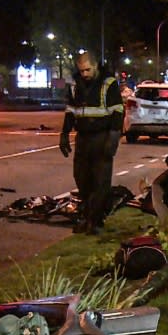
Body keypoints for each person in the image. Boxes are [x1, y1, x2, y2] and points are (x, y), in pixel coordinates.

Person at [59, 51, 124, 234]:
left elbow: (118, 111)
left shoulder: (108, 83)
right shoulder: (75, 85)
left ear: (95, 66)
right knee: (82, 179)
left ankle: (95, 221)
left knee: (100, 183)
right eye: (82, 71)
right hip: (83, 138)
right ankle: (88, 217)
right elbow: (70, 110)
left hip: (101, 137)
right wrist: (64, 133)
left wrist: (113, 138)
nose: (85, 74)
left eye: (88, 70)